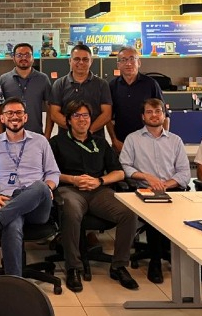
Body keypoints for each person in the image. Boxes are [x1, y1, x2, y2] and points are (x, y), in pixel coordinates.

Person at [48, 99, 139, 292]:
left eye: (86, 115)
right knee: (70, 210)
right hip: (70, 189)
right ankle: (73, 267)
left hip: (99, 190)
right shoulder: (56, 142)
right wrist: (73, 179)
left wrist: (100, 181)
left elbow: (120, 172)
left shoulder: (100, 142)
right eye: (77, 116)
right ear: (69, 120)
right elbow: (49, 173)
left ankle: (119, 266)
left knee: (128, 213)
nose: (82, 120)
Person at [0, 97, 59, 278]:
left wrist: (48, 187)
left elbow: (53, 173)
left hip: (37, 206)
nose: (14, 116)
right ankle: (14, 282)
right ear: (2, 118)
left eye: (18, 113)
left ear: (25, 117)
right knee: (12, 224)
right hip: (5, 201)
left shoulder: (40, 142)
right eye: (9, 113)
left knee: (39, 186)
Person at [119, 98, 191, 284]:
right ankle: (156, 261)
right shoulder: (133, 139)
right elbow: (125, 167)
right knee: (156, 212)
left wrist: (166, 184)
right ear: (143, 117)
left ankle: (194, 264)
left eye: (157, 111)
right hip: (144, 190)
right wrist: (147, 177)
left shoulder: (175, 141)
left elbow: (184, 172)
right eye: (149, 112)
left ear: (164, 115)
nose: (154, 115)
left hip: (173, 190)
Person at [106, 46, 167, 152]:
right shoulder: (112, 86)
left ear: (139, 62)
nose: (128, 63)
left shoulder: (151, 84)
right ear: (118, 65)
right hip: (122, 144)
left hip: (149, 144)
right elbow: (108, 118)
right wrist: (114, 140)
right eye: (123, 60)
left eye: (132, 59)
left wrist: (163, 141)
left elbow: (165, 115)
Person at [49, 44, 112, 139]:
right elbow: (54, 113)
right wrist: (74, 131)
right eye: (77, 59)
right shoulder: (59, 84)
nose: (81, 62)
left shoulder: (102, 84)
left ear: (91, 61)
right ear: (70, 61)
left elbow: (106, 114)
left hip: (95, 139)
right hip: (66, 141)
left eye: (85, 59)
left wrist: (88, 131)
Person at [0, 43, 53, 136]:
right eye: (19, 55)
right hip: (9, 136)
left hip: (35, 135)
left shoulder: (43, 79)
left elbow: (50, 109)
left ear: (33, 57)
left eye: (27, 55)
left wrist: (47, 136)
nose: (23, 58)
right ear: (13, 58)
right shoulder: (3, 80)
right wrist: (0, 136)